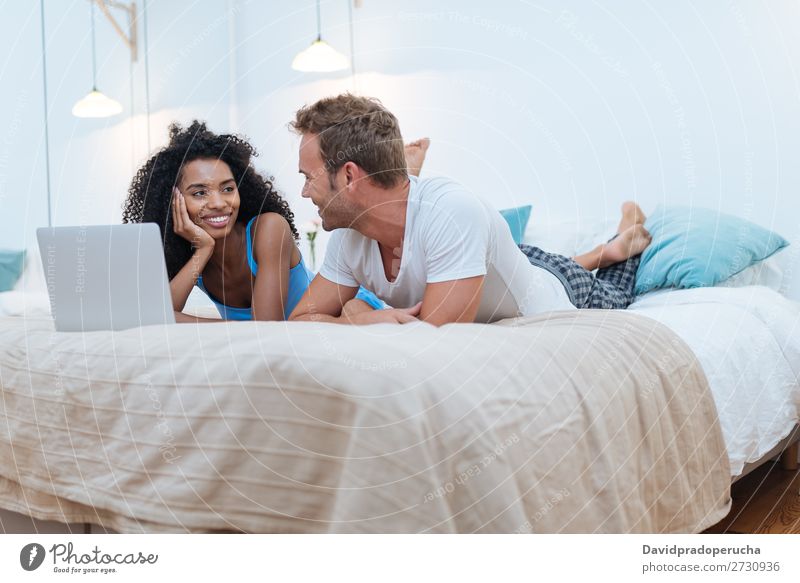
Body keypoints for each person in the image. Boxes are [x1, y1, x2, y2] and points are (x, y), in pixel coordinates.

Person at [288, 94, 651, 327]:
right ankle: (609, 248)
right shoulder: (350, 235)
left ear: (349, 175)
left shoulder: (453, 211)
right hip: (489, 264)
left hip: (556, 286)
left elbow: (433, 340)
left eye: (309, 178)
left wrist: (355, 310)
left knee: (619, 294)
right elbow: (301, 320)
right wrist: (358, 321)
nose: (304, 192)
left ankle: (622, 240)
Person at [123, 121, 426, 322]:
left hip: (335, 305)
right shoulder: (188, 253)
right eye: (199, 192)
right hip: (297, 325)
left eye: (228, 188)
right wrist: (202, 251)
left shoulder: (268, 228)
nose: (218, 202)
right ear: (173, 201)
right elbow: (157, 317)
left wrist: (200, 326)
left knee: (350, 314)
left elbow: (265, 331)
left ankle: (407, 174)